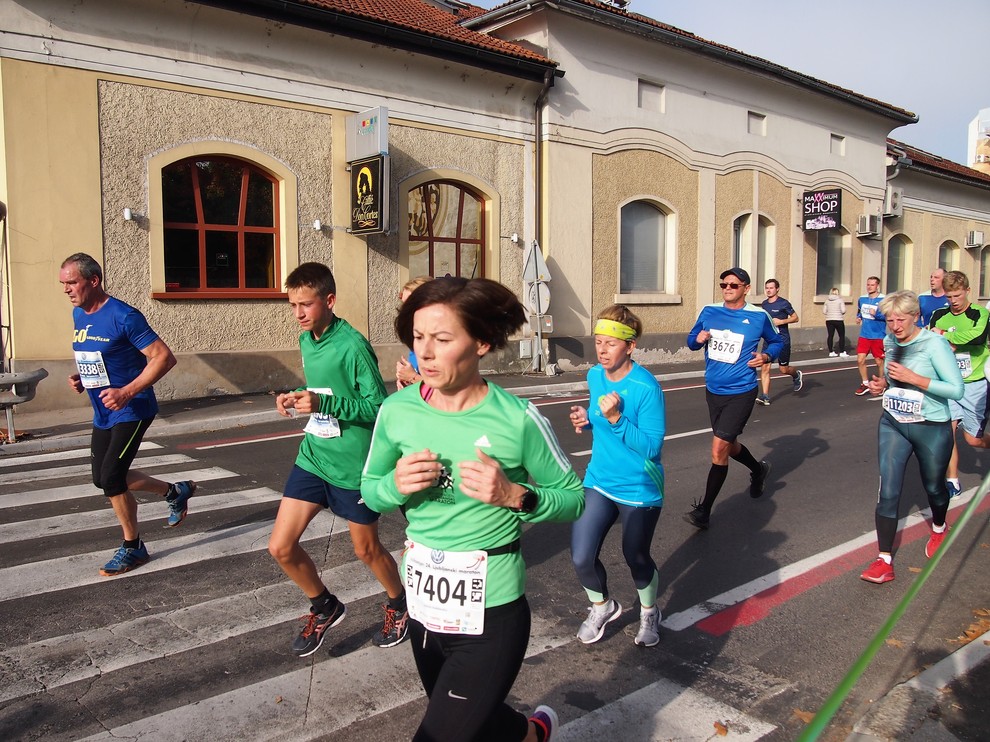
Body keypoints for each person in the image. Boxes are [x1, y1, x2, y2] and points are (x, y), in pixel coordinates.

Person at [361, 276, 584, 742]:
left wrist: (516, 496)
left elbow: (573, 497)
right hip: (423, 603)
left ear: (481, 342)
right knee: (471, 722)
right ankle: (532, 734)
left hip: (491, 611)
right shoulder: (397, 410)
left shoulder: (517, 419)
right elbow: (370, 491)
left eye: (442, 339)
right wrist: (395, 485)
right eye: (418, 337)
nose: (424, 352)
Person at [270, 262, 407, 657]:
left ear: (329, 300)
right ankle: (325, 605)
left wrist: (324, 402)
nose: (298, 313)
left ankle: (399, 605)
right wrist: (296, 395)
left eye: (306, 304)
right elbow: (321, 389)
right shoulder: (307, 339)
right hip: (314, 456)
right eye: (292, 304)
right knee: (280, 546)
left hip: (352, 467)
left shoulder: (352, 345)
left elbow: (377, 405)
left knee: (366, 550)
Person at [60, 253, 195, 576]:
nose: (66, 290)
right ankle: (174, 491)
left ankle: (133, 547)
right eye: (63, 284)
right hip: (103, 411)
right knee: (102, 478)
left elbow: (163, 358)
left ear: (93, 281)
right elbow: (99, 354)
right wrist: (84, 376)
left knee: (111, 478)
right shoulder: (80, 314)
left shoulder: (124, 316)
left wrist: (127, 391)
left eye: (72, 282)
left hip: (132, 409)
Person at [568, 305, 665, 647]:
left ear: (631, 346)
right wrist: (588, 417)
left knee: (635, 555)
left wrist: (615, 420)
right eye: (598, 342)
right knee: (581, 554)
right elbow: (600, 413)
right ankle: (602, 606)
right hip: (599, 479)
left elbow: (651, 447)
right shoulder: (595, 376)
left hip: (639, 486)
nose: (603, 350)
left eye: (611, 343)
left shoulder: (645, 387)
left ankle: (650, 611)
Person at [861, 290, 964, 584]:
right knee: (888, 490)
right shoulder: (889, 340)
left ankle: (940, 526)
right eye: (889, 320)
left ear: (915, 317)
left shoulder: (934, 344)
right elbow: (895, 379)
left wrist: (914, 378)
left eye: (901, 319)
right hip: (894, 422)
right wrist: (883, 384)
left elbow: (956, 390)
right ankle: (884, 560)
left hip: (931, 426)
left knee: (933, 487)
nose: (894, 326)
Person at [683, 268, 784, 529]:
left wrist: (767, 356)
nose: (727, 288)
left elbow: (777, 340)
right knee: (729, 444)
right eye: (724, 284)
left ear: (746, 288)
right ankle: (758, 469)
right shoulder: (709, 311)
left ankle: (704, 511)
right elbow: (691, 341)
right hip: (714, 389)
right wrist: (698, 338)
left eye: (733, 285)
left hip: (742, 390)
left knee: (718, 449)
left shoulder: (758, 315)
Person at [928, 271, 990, 498]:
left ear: (967, 291)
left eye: (957, 295)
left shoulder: (979, 313)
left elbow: (978, 337)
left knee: (973, 439)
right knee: (946, 433)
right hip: (948, 384)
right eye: (949, 296)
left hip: (974, 385)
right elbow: (928, 339)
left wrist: (945, 335)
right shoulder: (938, 314)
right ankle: (952, 480)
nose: (953, 301)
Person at [757, 278, 803, 405]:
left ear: (777, 289)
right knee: (765, 367)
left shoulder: (784, 303)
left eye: (771, 288)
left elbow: (795, 318)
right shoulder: (764, 304)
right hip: (769, 341)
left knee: (783, 369)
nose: (769, 290)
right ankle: (765, 396)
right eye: (767, 288)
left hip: (782, 340)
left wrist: (781, 321)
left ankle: (796, 375)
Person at [395, 276, 431, 389]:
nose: (404, 310)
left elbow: (448, 389)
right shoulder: (415, 335)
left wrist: (412, 377)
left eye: (409, 303)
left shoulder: (440, 339)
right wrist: (406, 382)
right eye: (403, 303)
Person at [855, 276, 886, 396]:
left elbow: (888, 316)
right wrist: (859, 317)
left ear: (877, 286)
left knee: (879, 362)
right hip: (864, 335)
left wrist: (877, 315)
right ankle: (865, 383)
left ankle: (881, 382)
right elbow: (859, 310)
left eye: (872, 285)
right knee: (860, 360)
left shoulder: (884, 299)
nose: (869, 287)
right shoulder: (862, 298)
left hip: (878, 335)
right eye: (868, 284)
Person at [823, 287, 848, 357]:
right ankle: (842, 352)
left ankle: (831, 352)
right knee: (841, 335)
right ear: (837, 293)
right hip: (838, 319)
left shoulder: (827, 301)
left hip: (829, 320)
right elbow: (843, 310)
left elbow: (824, 311)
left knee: (830, 335)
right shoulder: (840, 300)